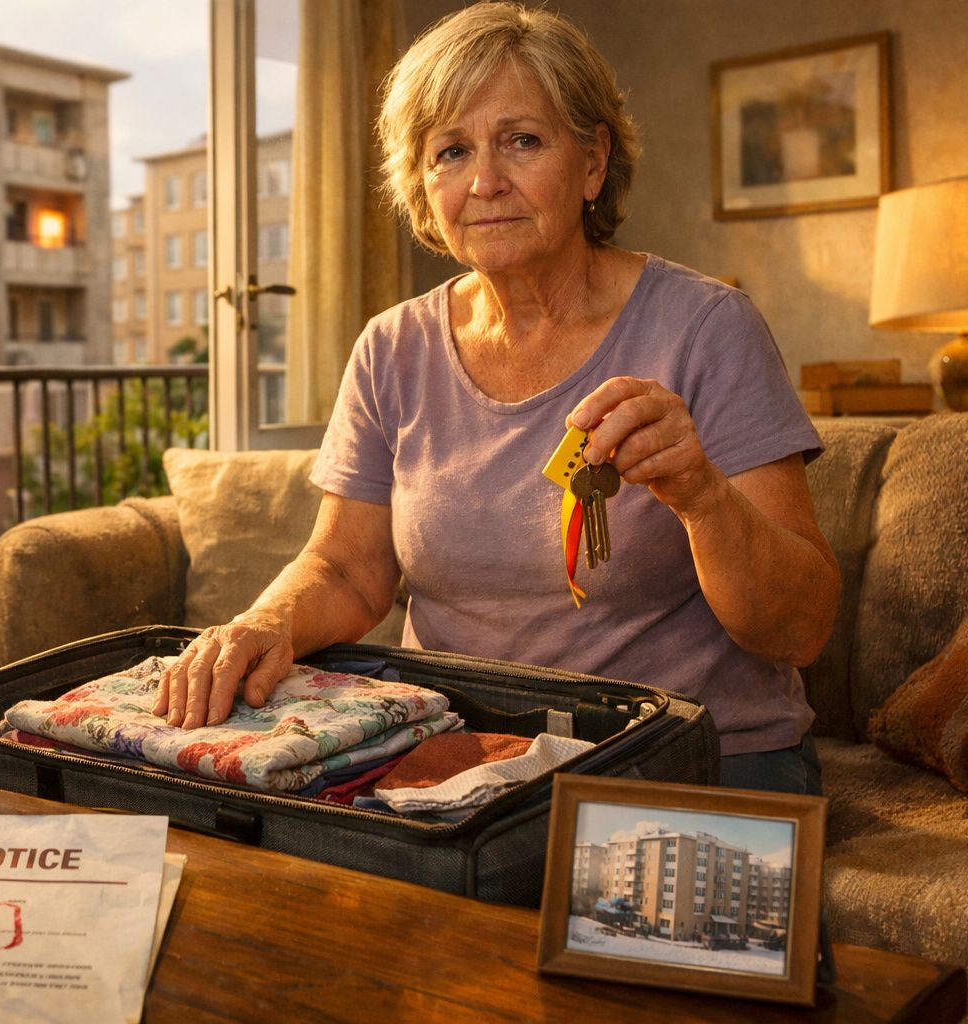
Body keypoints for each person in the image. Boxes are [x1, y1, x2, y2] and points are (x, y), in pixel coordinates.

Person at [155, 2, 838, 795]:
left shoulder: (707, 328)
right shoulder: (391, 347)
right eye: (451, 150)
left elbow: (800, 628)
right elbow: (347, 570)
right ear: (424, 186)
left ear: (591, 163)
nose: (485, 182)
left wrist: (703, 498)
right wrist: (262, 621)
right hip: (464, 753)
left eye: (522, 140)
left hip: (692, 751)